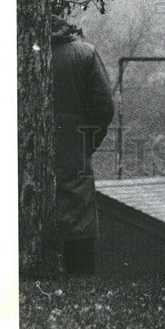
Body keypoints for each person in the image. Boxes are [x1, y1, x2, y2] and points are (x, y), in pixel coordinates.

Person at [51, 14, 114, 275]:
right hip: (74, 143)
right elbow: (104, 107)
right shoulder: (85, 54)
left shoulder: (19, 51)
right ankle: (81, 281)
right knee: (78, 214)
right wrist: (88, 142)